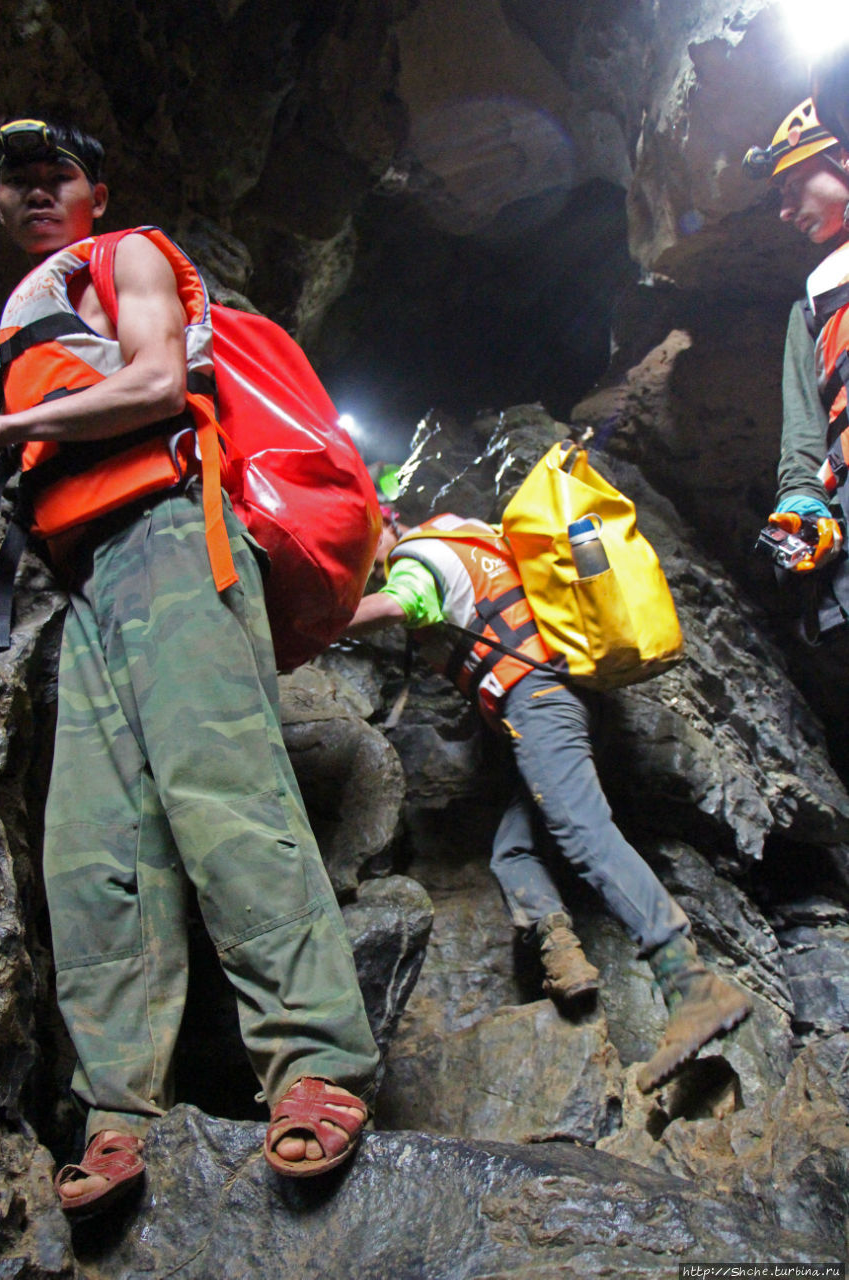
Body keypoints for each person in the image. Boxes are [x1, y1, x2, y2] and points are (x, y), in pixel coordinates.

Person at [0, 118, 379, 1213]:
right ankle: (117, 1112)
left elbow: (161, 383)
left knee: (225, 793)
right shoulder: (22, 313)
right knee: (93, 850)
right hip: (87, 579)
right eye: (12, 181)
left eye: (52, 175)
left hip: (171, 530)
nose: (30, 192)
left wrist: (4, 422)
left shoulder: (120, 257)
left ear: (94, 193)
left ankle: (316, 1063)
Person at [346, 508, 752, 1093]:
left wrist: (304, 627)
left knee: (584, 833)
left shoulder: (413, 560)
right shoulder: (469, 536)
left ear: (382, 528)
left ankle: (690, 985)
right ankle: (564, 959)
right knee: (514, 851)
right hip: (566, 695)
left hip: (538, 703)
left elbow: (398, 604)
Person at [744, 99, 849, 623]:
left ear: (842, 158)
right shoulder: (812, 304)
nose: (784, 211)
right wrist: (803, 504)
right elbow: (804, 439)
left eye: (792, 186)